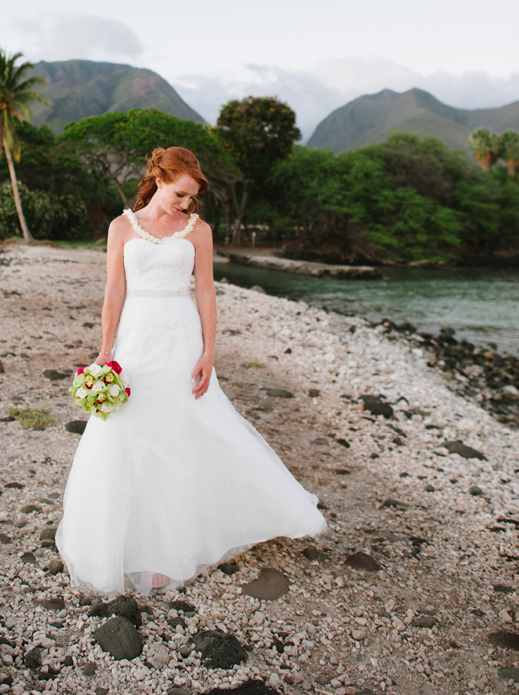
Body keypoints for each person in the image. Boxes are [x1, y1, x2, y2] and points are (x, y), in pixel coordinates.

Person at [55, 146, 327, 595]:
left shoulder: (198, 231)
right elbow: (114, 291)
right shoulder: (121, 227)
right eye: (181, 193)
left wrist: (209, 352)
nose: (186, 203)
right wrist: (105, 351)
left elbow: (205, 293)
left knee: (187, 430)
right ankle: (125, 539)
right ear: (161, 179)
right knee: (129, 430)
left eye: (192, 197)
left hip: (182, 340)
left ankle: (180, 541)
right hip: (136, 339)